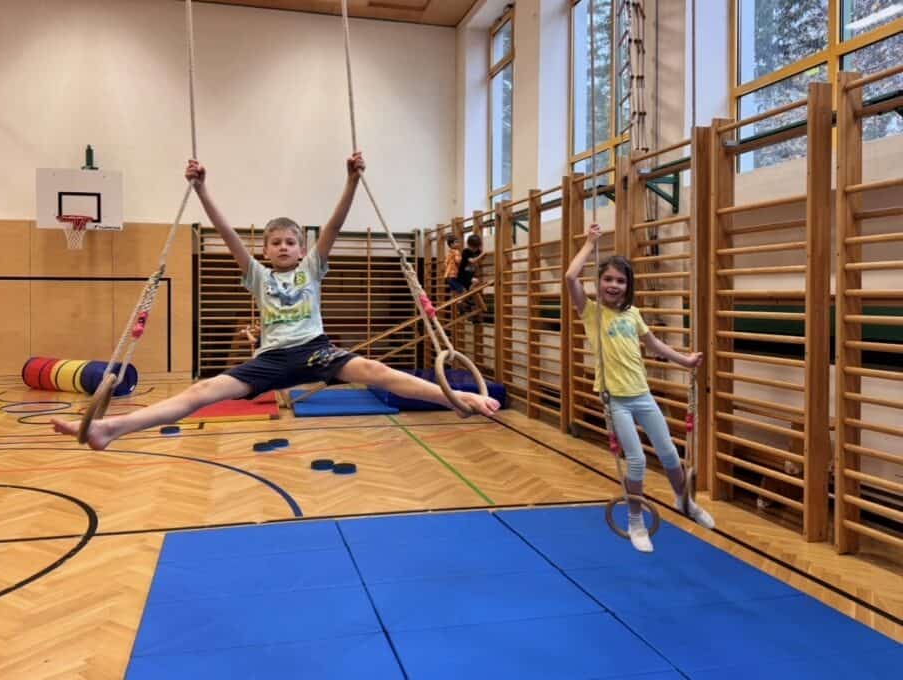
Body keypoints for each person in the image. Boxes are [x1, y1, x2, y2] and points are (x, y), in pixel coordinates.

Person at [53, 153, 499, 449]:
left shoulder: (312, 268)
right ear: (265, 251)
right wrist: (202, 190)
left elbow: (333, 226)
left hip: (315, 350)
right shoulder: (258, 276)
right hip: (270, 359)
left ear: (302, 249)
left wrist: (351, 182)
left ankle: (458, 397)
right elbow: (227, 234)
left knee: (376, 371)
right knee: (202, 391)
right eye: (276, 243)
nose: (284, 247)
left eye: (290, 242)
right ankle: (111, 428)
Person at [565, 223, 713, 553]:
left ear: (628, 285)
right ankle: (635, 521)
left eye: (620, 280)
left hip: (642, 394)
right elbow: (571, 277)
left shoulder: (633, 315)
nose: (613, 285)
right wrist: (589, 243)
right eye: (608, 279)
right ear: (599, 283)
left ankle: (683, 501)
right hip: (615, 400)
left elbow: (655, 344)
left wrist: (685, 361)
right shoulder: (591, 312)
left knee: (669, 452)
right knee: (637, 461)